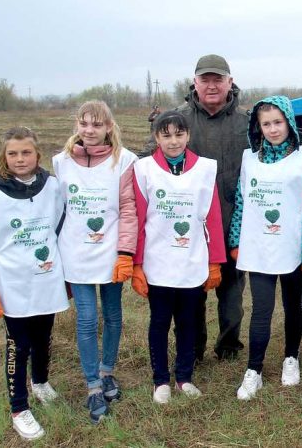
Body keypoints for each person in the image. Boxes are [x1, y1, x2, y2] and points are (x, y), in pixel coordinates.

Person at [0, 127, 69, 440]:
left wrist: (65, 275)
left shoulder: (52, 187)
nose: (19, 159)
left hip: (46, 278)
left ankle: (40, 382)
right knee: (19, 344)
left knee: (44, 337)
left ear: (37, 155)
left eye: (26, 152)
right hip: (12, 284)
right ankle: (19, 408)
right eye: (12, 153)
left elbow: (59, 228)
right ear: (4, 157)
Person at [229, 96, 302, 400]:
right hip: (259, 248)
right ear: (258, 127)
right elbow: (242, 201)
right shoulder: (249, 159)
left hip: (293, 246)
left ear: (289, 123)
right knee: (261, 308)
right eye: (266, 124)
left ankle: (291, 358)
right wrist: (235, 239)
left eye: (277, 122)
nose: (272, 129)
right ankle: (254, 370)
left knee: (292, 304)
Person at [52, 100, 138, 424]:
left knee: (113, 315)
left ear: (108, 127)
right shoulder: (60, 163)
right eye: (84, 123)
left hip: (110, 253)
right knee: (87, 319)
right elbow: (57, 211)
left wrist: (126, 253)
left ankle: (107, 372)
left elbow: (128, 210)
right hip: (76, 255)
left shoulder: (125, 161)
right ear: (77, 125)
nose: (89, 130)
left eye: (97, 124)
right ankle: (92, 386)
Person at [131, 111, 225, 403]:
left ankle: (184, 376)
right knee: (159, 322)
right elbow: (139, 219)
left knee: (189, 323)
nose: (173, 141)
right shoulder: (143, 169)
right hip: (157, 263)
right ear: (156, 137)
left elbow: (212, 219)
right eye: (166, 135)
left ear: (188, 135)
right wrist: (136, 265)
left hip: (191, 262)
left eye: (179, 134)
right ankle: (160, 380)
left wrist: (214, 262)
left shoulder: (205, 170)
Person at [176, 54, 249, 361]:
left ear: (230, 82)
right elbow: (150, 160)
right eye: (204, 79)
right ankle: (192, 350)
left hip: (234, 220)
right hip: (191, 223)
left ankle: (229, 345)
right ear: (194, 83)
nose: (211, 85)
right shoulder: (178, 121)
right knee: (192, 291)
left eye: (217, 79)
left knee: (232, 291)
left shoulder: (248, 121)